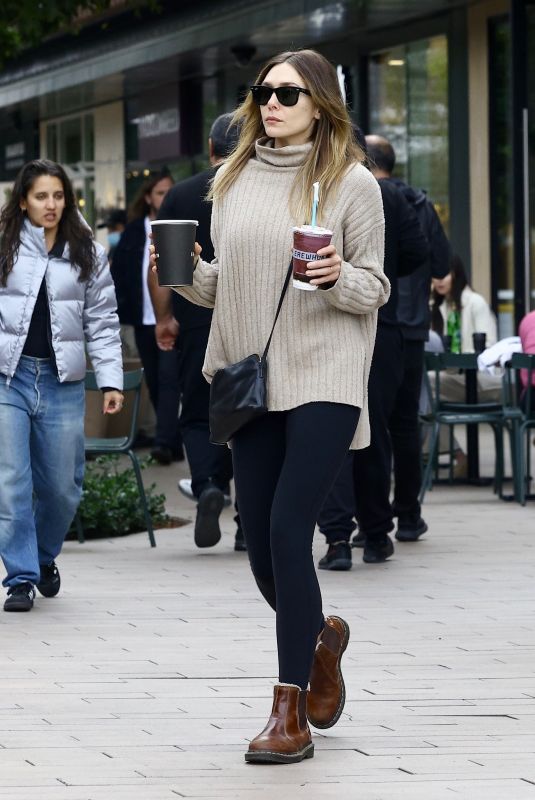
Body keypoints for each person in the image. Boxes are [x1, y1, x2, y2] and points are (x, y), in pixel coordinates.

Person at [151, 49, 389, 764]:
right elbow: (230, 283)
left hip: (325, 373)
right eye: (263, 92)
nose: (271, 102)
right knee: (259, 548)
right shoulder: (233, 178)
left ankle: (288, 712)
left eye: (286, 92)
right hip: (247, 378)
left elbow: (374, 287)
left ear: (319, 102)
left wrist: (337, 273)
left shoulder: (350, 184)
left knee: (289, 531)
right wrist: (186, 275)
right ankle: (319, 642)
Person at [0, 159, 123, 612]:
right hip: (8, 379)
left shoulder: (86, 248)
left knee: (62, 487)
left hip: (61, 381)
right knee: (11, 482)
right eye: (41, 196)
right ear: (23, 200)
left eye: (58, 196)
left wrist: (110, 380)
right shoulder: (4, 245)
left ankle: (42, 556)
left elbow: (103, 320)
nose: (51, 205)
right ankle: (20, 577)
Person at [317, 133, 429, 569]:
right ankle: (378, 533)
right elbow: (420, 253)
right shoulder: (388, 196)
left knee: (332, 435)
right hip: (382, 328)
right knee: (373, 432)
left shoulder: (319, 193)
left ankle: (338, 540)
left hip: (327, 327)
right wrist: (382, 268)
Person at [148, 114, 239, 549]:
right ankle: (250, 520)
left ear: (209, 147)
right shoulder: (258, 191)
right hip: (255, 323)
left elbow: (163, 264)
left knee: (200, 411)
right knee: (253, 413)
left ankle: (206, 485)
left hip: (196, 318)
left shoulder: (182, 194)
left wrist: (164, 318)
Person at [111, 171, 183, 465]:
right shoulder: (132, 232)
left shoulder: (176, 228)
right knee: (153, 380)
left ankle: (165, 442)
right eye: (159, 193)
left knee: (168, 380)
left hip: (170, 320)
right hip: (142, 319)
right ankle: (173, 439)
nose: (164, 198)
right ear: (148, 197)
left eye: (169, 192)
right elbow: (119, 274)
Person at [430, 254, 500, 474]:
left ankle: (449, 455)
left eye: (445, 274)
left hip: (481, 378)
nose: (439, 280)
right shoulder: (435, 305)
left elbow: (489, 346)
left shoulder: (474, 302)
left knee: (424, 385)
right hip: (454, 377)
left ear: (457, 275)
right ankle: (456, 453)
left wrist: (459, 356)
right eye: (434, 275)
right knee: (418, 390)